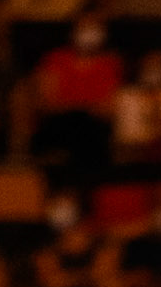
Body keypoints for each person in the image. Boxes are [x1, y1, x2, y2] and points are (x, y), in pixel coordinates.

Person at [32, 14, 123, 177]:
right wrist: (78, 107)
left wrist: (84, 108)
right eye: (84, 29)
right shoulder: (55, 59)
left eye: (94, 29)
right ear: (73, 31)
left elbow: (109, 108)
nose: (89, 34)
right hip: (60, 122)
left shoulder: (110, 64)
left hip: (93, 127)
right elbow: (46, 102)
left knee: (91, 132)